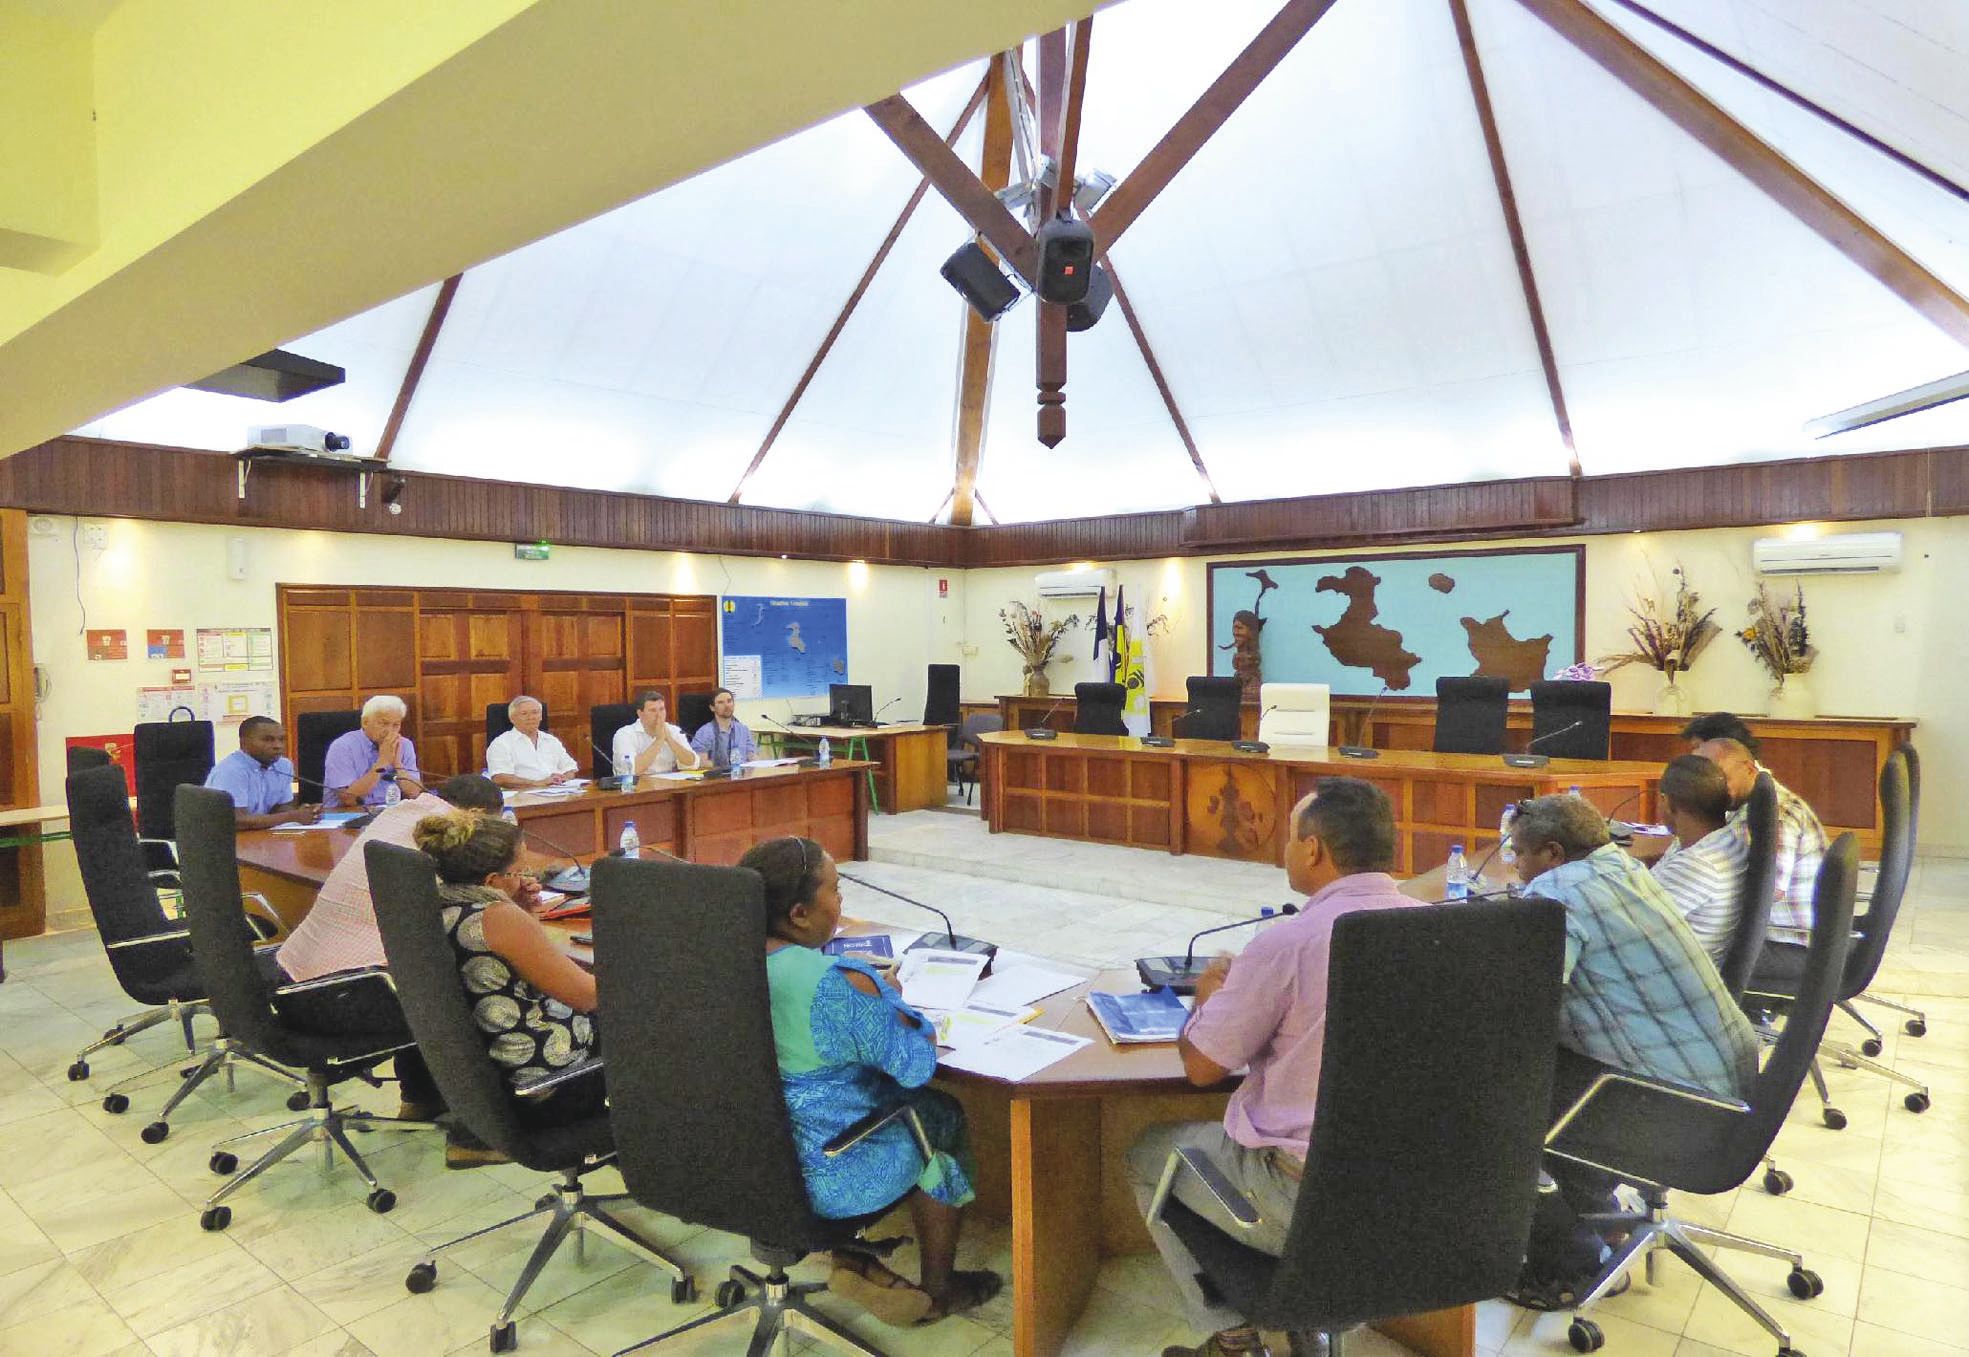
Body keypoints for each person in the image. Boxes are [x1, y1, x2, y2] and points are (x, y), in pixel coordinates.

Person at [1125, 778, 1423, 1357]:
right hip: (1415, 1192)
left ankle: (1233, 1338)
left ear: (1312, 849)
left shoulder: (1287, 943)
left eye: (1290, 838)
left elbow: (1203, 1068)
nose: (1286, 850)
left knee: (1147, 1154)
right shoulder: (1441, 929)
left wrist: (1206, 1001)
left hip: (1301, 1198)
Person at [1507, 793, 1760, 1307]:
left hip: (1674, 1105)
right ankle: (1606, 1223)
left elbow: (1523, 1006)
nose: (1515, 865)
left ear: (1553, 854)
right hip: (1725, 1085)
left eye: (1519, 853)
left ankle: (1567, 1267)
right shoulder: (1624, 867)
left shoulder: (1558, 892)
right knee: (1548, 1068)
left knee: (1500, 1097)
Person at [741, 835, 999, 1327]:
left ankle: (851, 1256)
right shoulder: (836, 982)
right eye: (835, 891)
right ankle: (940, 1291)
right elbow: (914, 1066)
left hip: (738, 1159)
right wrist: (890, 998)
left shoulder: (714, 963)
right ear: (798, 913)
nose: (841, 903)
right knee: (940, 1114)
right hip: (826, 1175)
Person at [276, 774, 539, 1137]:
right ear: (477, 815)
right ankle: (478, 1135)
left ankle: (420, 1098)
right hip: (347, 994)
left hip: (300, 981)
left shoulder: (400, 814)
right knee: (479, 980)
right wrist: (514, 897)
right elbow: (481, 924)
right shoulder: (444, 844)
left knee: (420, 964)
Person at [414, 807, 604, 1129]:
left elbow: (518, 975)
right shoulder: (498, 917)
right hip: (551, 1087)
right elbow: (588, 996)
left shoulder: (441, 901)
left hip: (499, 1074)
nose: (528, 878)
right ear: (492, 880)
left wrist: (524, 910)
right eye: (519, 871)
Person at [1690, 731, 1826, 943]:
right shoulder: (1753, 801)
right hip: (1770, 934)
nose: (1713, 791)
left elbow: (1770, 890)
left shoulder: (1777, 815)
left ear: (1749, 769)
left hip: (1787, 941)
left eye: (1721, 779)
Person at [1650, 754, 1750, 963]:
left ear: (1665, 802)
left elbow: (1626, 926)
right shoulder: (1721, 840)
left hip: (1669, 980)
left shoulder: (1699, 863)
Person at [204, 716, 320, 829]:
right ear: (244, 743)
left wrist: (305, 812)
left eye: (281, 739)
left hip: (260, 837)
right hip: (224, 840)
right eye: (268, 740)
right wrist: (292, 816)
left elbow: (281, 808)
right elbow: (236, 820)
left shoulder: (283, 765)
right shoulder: (231, 770)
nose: (277, 746)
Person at [324, 695, 425, 807]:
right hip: (347, 815)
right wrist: (382, 762)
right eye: (383, 723)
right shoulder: (342, 747)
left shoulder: (404, 745)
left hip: (391, 814)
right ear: (365, 722)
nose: (389, 731)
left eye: (396, 725)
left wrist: (397, 763)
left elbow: (415, 793)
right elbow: (349, 799)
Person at [484, 695, 579, 789]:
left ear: (541, 716)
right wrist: (537, 783)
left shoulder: (551, 741)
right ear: (512, 719)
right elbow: (500, 778)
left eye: (535, 712)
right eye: (524, 714)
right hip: (522, 795)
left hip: (556, 791)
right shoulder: (501, 743)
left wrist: (564, 778)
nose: (531, 717)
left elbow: (570, 768)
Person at [610, 690, 700, 776]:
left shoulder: (673, 731)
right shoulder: (625, 735)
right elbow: (630, 771)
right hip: (638, 788)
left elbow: (692, 764)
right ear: (640, 713)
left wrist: (670, 740)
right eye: (653, 710)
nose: (659, 715)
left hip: (669, 786)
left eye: (661, 709)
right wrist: (659, 740)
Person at [690, 688, 758, 769]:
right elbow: (700, 762)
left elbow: (752, 756)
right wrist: (724, 766)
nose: (727, 705)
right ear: (712, 708)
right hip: (717, 777)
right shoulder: (705, 732)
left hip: (742, 776)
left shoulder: (743, 730)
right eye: (721, 702)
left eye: (729, 701)